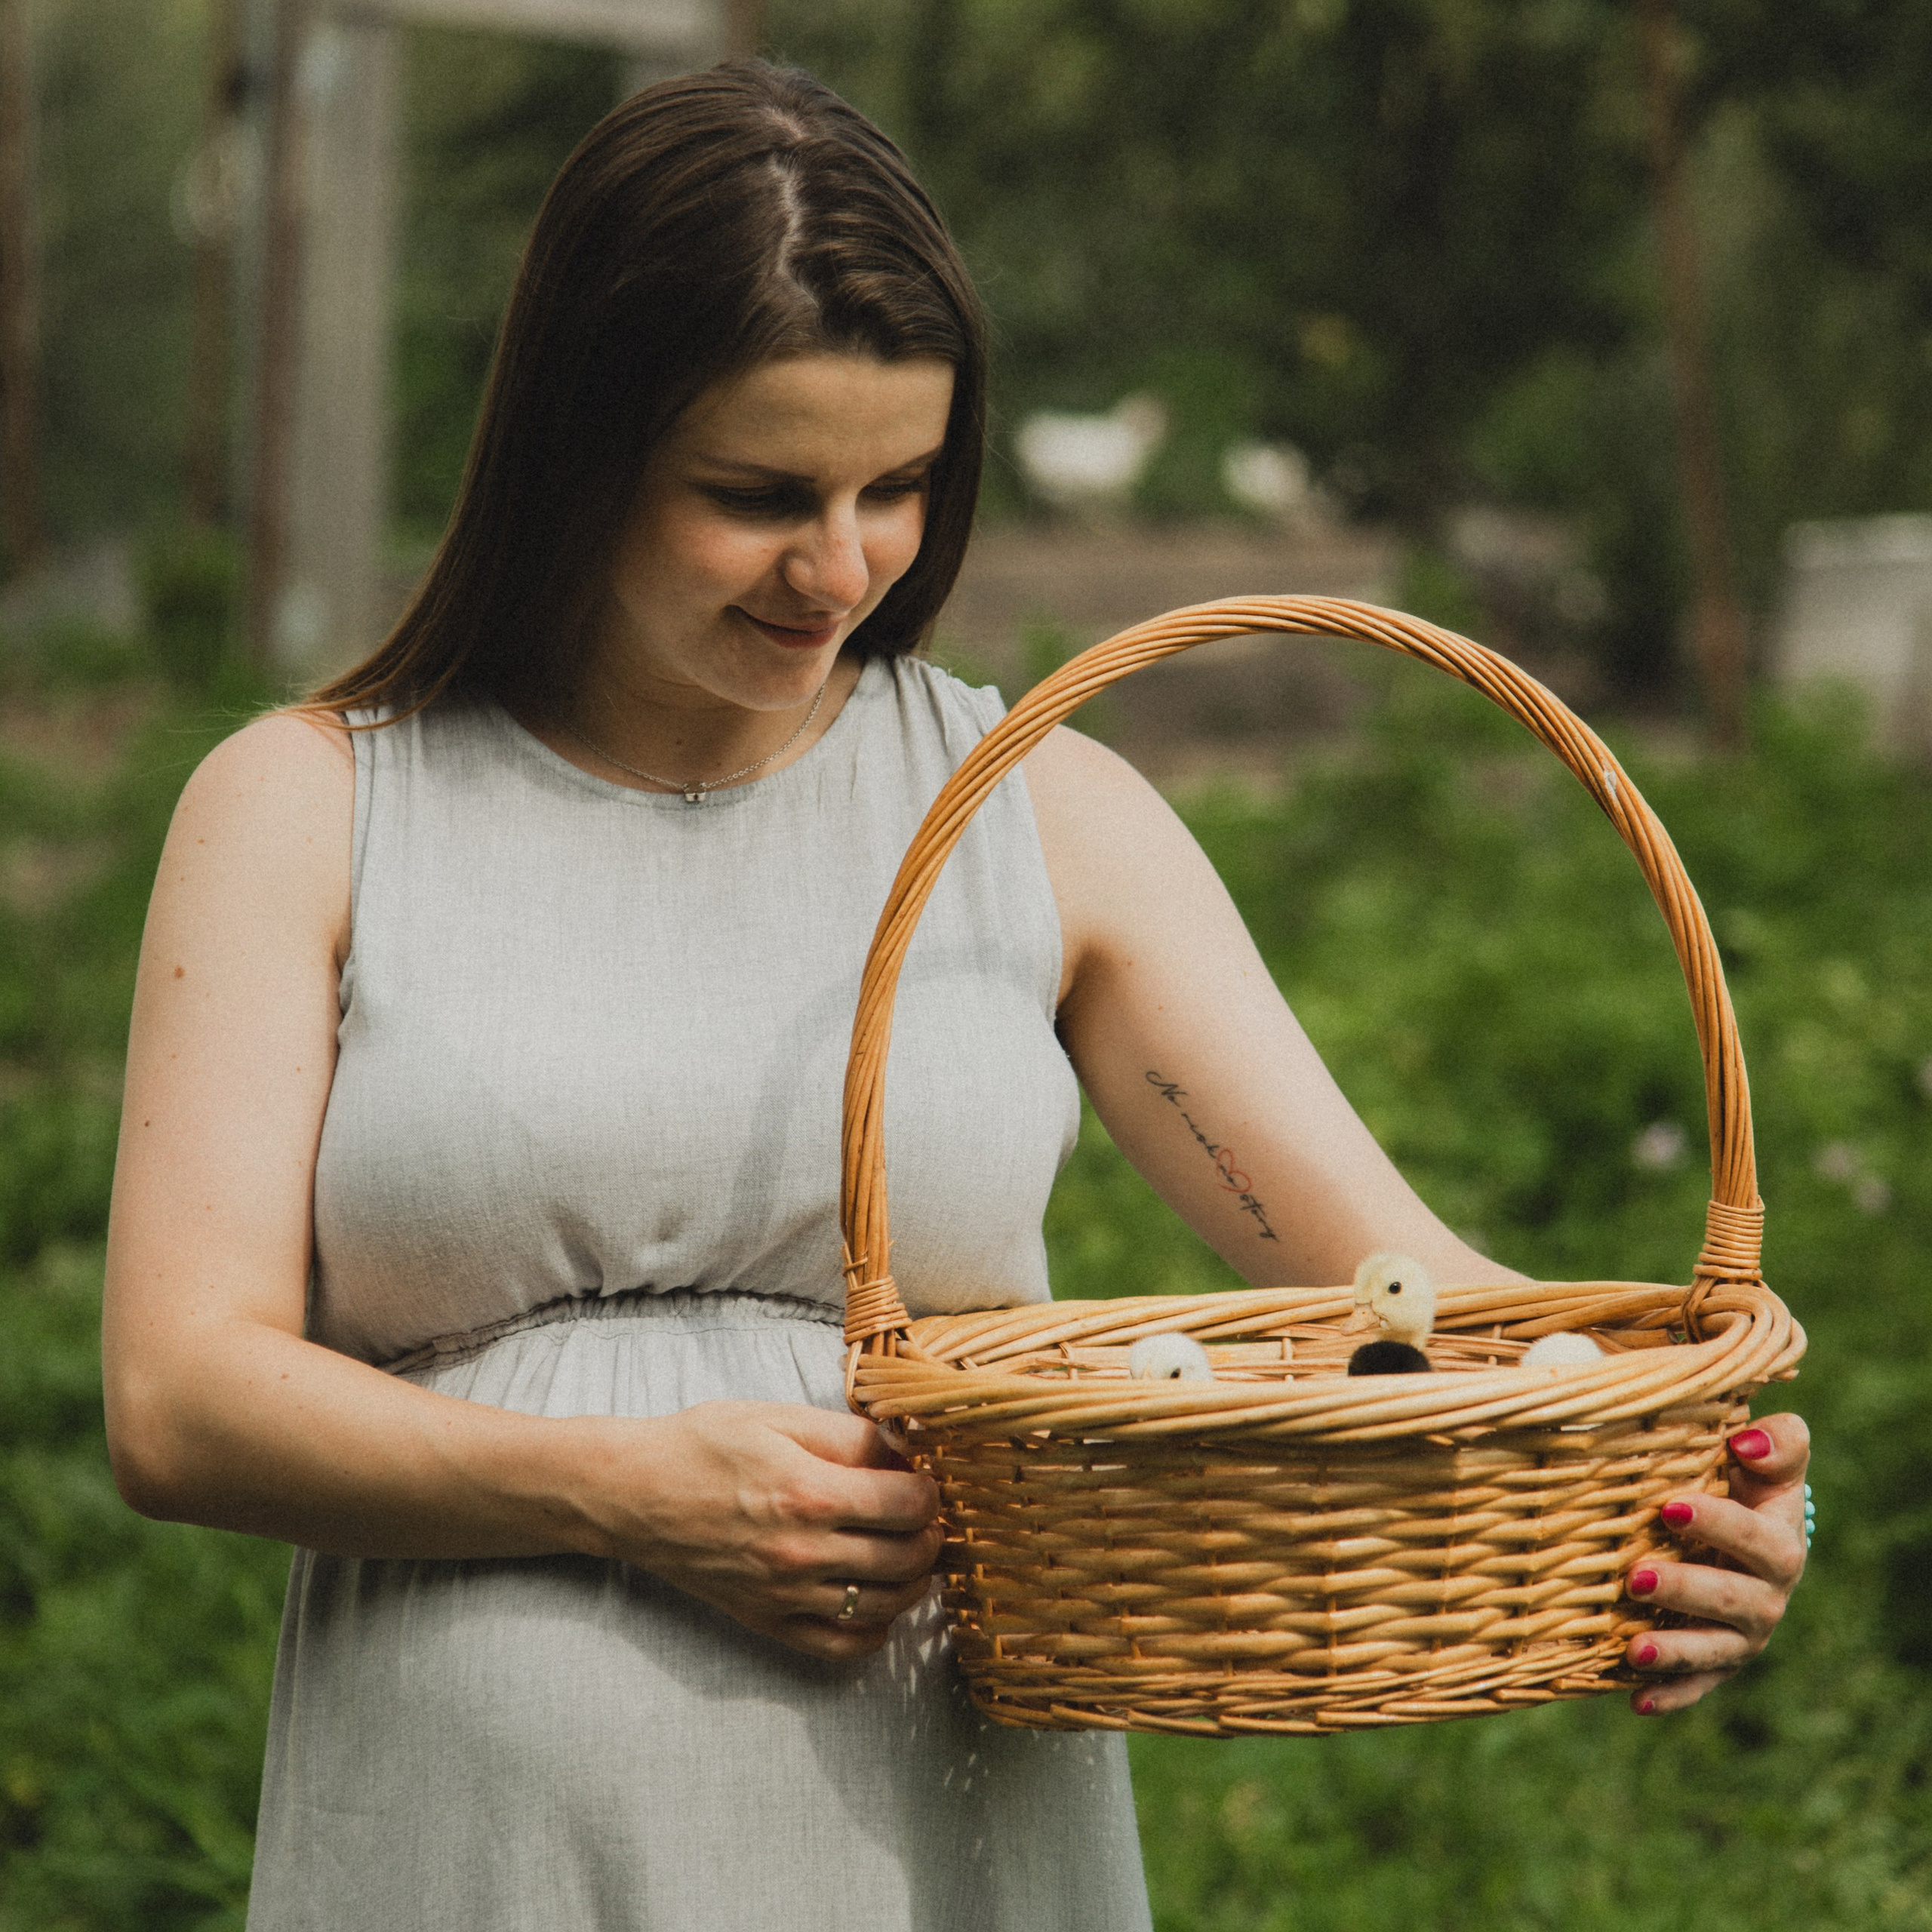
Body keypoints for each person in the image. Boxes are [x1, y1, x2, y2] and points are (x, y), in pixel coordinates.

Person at [101, 58, 1810, 1932]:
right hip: (470, 1843)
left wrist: (1670, 1467)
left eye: (897, 485)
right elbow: (181, 1396)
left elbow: (1408, 1301)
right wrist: (613, 1487)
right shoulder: (318, 806)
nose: (838, 567)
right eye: (755, 494)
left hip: (940, 1837)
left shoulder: (1036, 812)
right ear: (577, 447)